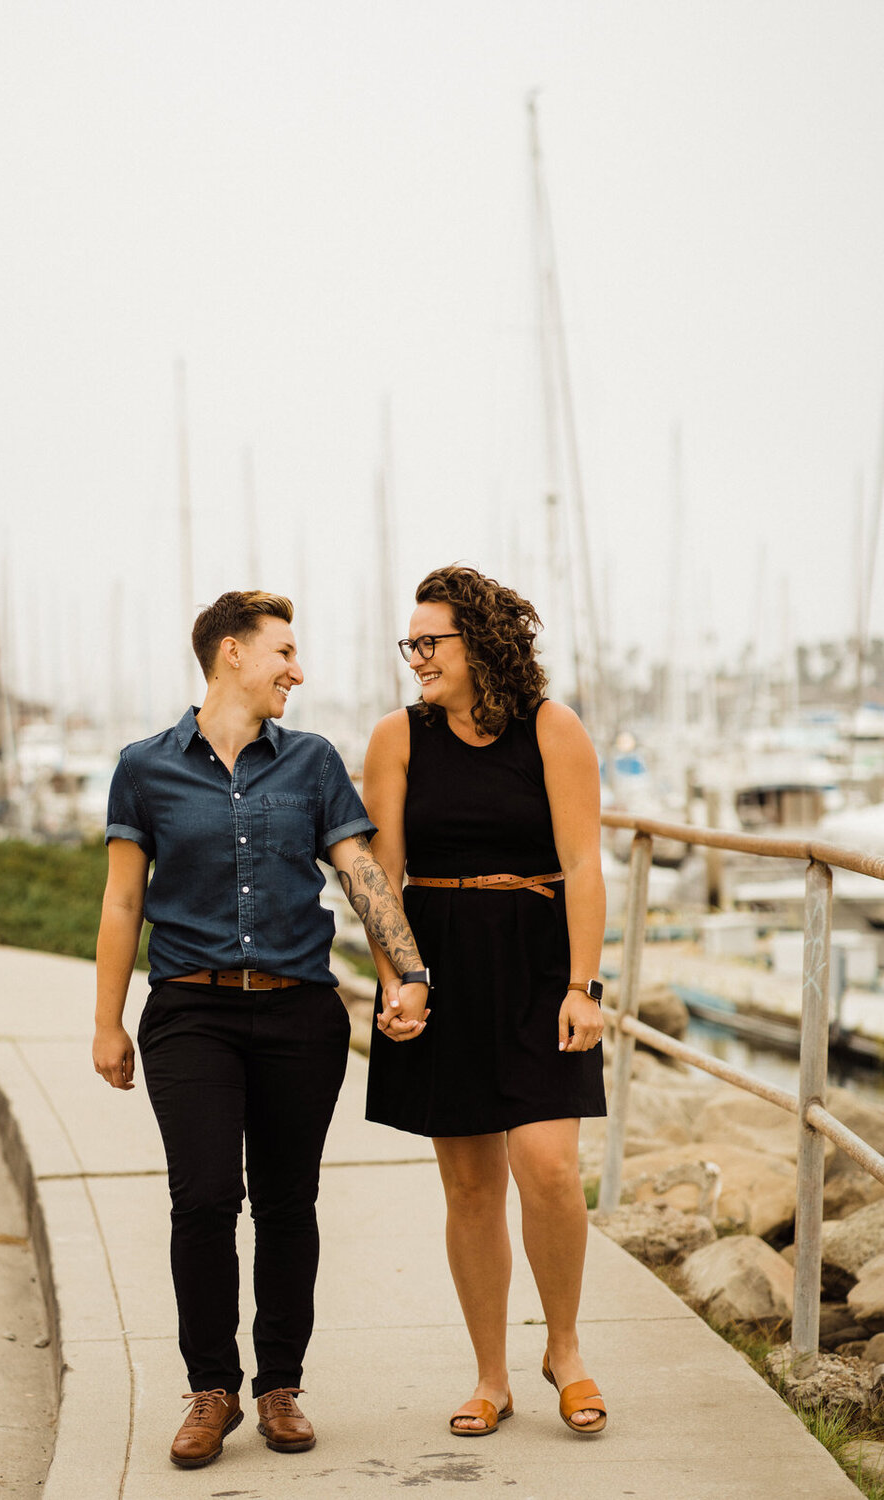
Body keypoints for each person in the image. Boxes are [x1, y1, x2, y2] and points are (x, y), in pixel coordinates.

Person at [93, 590, 430, 1470]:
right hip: (189, 1012)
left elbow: (360, 872)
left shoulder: (312, 762)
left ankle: (280, 1385)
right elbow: (124, 899)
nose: (298, 669)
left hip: (297, 1012)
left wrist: (409, 973)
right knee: (203, 1199)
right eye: (285, 650)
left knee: (287, 1203)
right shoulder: (145, 766)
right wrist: (107, 1023)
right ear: (231, 653)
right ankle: (212, 1389)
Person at [363, 564, 608, 1439]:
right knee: (470, 1184)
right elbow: (380, 878)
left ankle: (567, 1351)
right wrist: (398, 979)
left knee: (547, 1164)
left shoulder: (553, 728)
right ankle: (492, 1376)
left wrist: (585, 986)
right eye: (412, 643)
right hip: (440, 968)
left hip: (539, 965)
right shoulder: (397, 738)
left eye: (431, 642)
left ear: (482, 644)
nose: (416, 657)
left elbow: (584, 864)